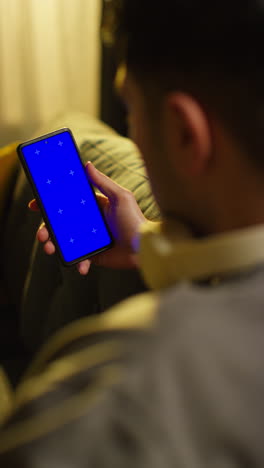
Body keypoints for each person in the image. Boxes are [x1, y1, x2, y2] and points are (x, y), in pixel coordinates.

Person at [1, 0, 264, 465]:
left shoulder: (116, 394)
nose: (132, 133)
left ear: (186, 133)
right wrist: (146, 240)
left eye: (132, 110)